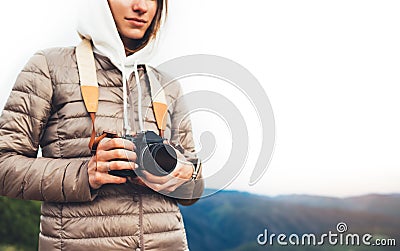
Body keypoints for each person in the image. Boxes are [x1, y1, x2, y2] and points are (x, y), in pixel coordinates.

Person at [0, 0, 204, 250]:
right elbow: (4, 165)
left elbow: (194, 191)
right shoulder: (48, 68)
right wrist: (85, 173)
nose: (141, 7)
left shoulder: (167, 86)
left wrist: (186, 173)